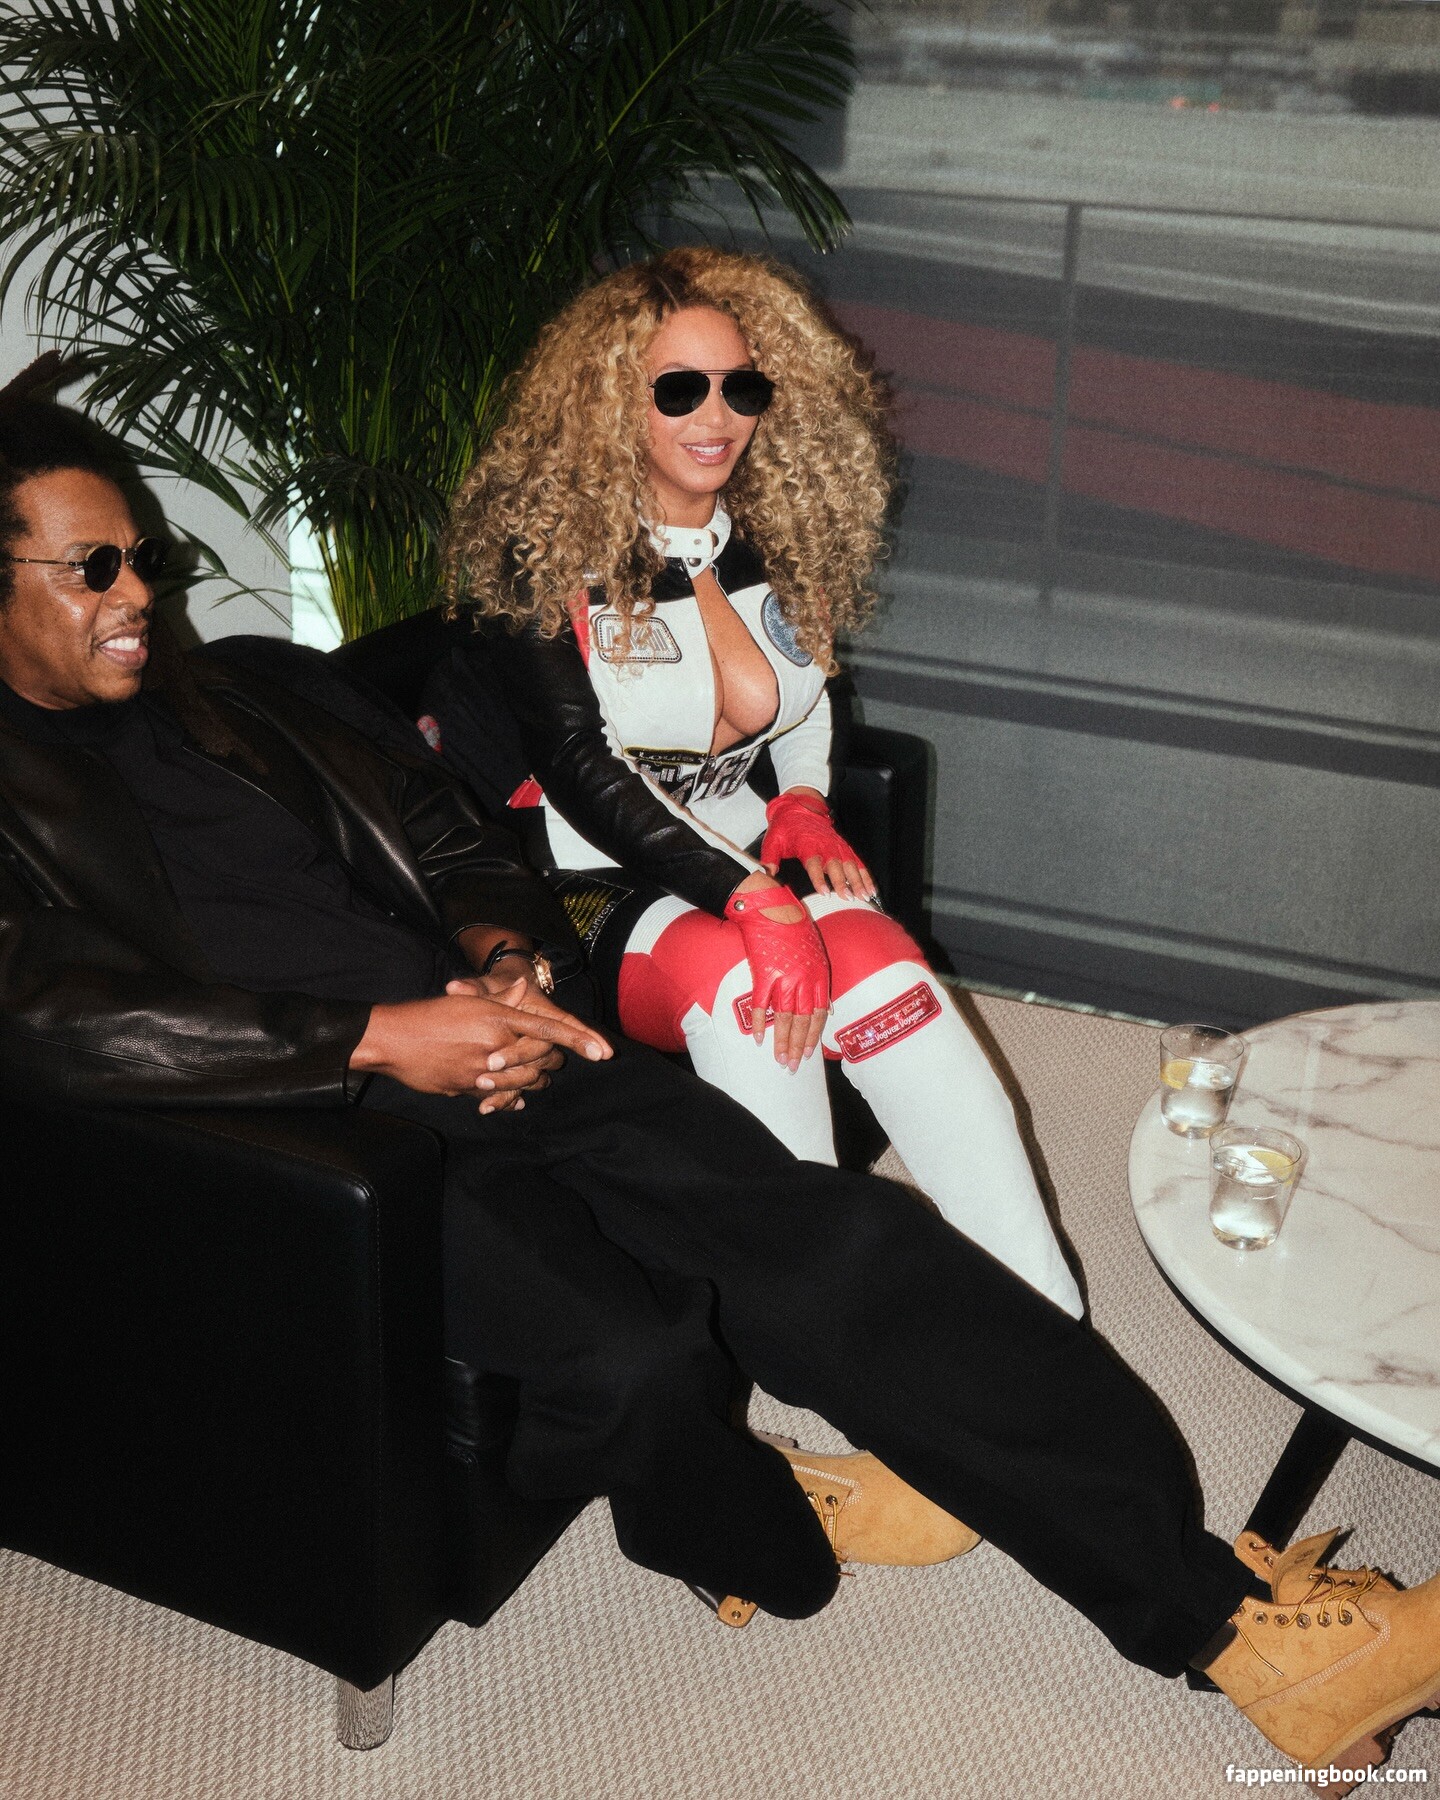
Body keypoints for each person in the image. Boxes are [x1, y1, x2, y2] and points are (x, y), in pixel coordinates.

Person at [1, 381, 1437, 1793]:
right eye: (91, 569)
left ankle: (1235, 1627)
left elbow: (453, 841)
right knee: (635, 1358)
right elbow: (50, 1017)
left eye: (143, 556)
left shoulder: (251, 693)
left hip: (514, 1047)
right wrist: (376, 1039)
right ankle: (751, 1528)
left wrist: (507, 961)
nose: (140, 594)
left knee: (839, 1238)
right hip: (323, 1147)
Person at [430, 246, 1082, 1318]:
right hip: (592, 880)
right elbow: (582, 772)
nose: (718, 415)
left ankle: (1043, 1314)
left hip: (741, 859)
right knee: (749, 985)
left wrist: (803, 801)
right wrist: (755, 899)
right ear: (611, 401)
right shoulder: (543, 563)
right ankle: (819, 1319)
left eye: (742, 387)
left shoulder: (762, 544)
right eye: (680, 388)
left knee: (886, 966)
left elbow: (810, 702)